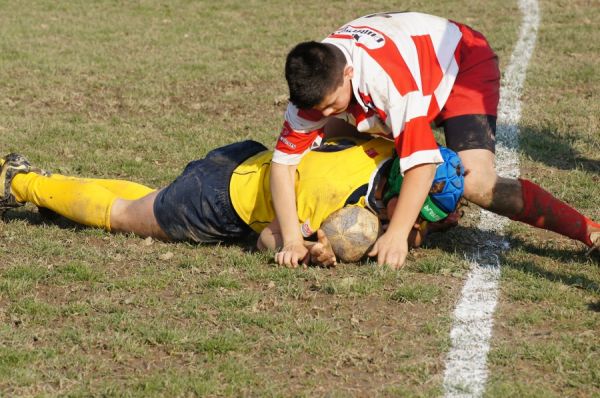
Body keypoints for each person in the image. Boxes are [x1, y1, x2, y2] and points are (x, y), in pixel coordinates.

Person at [270, 11, 600, 269]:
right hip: (415, 73)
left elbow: (423, 166)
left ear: (348, 75)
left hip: (463, 64)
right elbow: (282, 166)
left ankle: (588, 230)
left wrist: (397, 236)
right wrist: (290, 241)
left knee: (477, 182)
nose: (325, 111)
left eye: (331, 104)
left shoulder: (387, 82)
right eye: (318, 107)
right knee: (329, 146)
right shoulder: (313, 84)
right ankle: (434, 216)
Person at [0, 137, 463, 266]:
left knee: (144, 198)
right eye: (415, 213)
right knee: (123, 215)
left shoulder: (380, 143)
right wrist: (303, 250)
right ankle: (18, 184)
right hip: (220, 201)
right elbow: (267, 237)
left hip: (246, 158)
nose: (410, 225)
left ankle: (40, 183)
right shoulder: (344, 210)